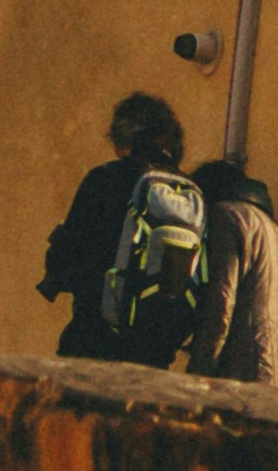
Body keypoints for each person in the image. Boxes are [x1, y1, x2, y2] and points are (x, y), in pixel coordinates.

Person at [35, 91, 211, 366]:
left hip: (94, 345)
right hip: (154, 358)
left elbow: (65, 259)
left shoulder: (105, 179)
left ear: (122, 140)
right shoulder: (190, 192)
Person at [183, 155, 278, 389]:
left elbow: (221, 304)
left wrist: (198, 373)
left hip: (237, 369)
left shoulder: (225, 217)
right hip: (275, 367)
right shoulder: (274, 229)